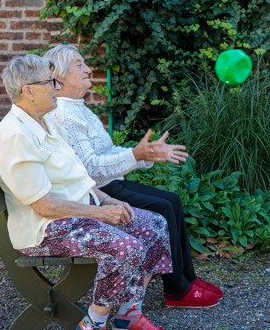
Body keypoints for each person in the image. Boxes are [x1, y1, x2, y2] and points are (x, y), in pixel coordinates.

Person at [0, 54, 174, 330]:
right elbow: (44, 205)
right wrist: (101, 214)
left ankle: (128, 315)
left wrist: (105, 200)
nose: (55, 87)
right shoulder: (15, 136)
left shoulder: (44, 121)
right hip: (45, 228)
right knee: (124, 246)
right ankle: (90, 329)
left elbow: (77, 176)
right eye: (49, 82)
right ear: (28, 91)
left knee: (153, 224)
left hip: (75, 213)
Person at [44, 44, 224, 308]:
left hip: (112, 183)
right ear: (59, 76)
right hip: (99, 193)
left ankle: (187, 278)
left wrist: (143, 156)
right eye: (79, 64)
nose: (88, 69)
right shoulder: (64, 114)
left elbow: (107, 153)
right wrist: (135, 155)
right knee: (163, 208)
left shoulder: (78, 108)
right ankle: (177, 290)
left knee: (172, 200)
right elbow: (91, 169)